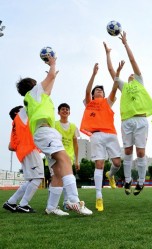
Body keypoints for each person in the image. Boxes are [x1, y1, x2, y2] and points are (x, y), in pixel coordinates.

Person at [16, 55, 92, 215]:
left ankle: (51, 207)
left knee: (57, 171)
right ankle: (74, 200)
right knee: (65, 159)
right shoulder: (34, 92)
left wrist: (54, 76)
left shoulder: (35, 98)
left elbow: (48, 89)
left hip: (44, 134)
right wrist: (52, 64)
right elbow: (48, 78)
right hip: (45, 133)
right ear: (33, 86)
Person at [104, 32, 152, 196]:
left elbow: (133, 61)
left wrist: (125, 44)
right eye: (130, 75)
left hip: (141, 120)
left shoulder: (140, 81)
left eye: (134, 74)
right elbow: (111, 70)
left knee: (140, 152)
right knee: (127, 152)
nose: (132, 75)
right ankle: (127, 180)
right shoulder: (123, 86)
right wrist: (108, 54)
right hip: (127, 120)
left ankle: (140, 182)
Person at [80, 63, 122, 211]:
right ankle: (99, 196)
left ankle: (110, 175)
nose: (99, 91)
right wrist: (93, 74)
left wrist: (117, 73)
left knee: (117, 163)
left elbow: (115, 88)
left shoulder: (107, 102)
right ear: (93, 95)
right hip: (96, 135)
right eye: (97, 90)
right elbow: (86, 90)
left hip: (111, 134)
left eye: (101, 90)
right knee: (99, 164)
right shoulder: (90, 103)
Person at [3, 106, 44, 213]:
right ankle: (23, 204)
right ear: (18, 113)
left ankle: (11, 202)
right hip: (29, 150)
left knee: (31, 180)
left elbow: (11, 146)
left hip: (23, 153)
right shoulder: (20, 121)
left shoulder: (15, 126)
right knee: (38, 178)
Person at [55, 103, 81, 210]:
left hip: (68, 157)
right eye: (62, 109)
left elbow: (75, 145)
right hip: (56, 155)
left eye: (67, 109)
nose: (65, 111)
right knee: (56, 179)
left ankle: (66, 203)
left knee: (67, 180)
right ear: (58, 112)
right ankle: (53, 204)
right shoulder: (54, 124)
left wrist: (77, 160)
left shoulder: (73, 127)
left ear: (69, 112)